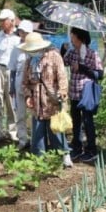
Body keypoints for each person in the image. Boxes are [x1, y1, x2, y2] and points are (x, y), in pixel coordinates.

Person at [20, 32, 72, 167]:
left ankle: (63, 154)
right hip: (36, 101)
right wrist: (27, 96)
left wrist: (62, 92)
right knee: (38, 131)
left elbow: (62, 76)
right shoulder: (29, 61)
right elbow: (24, 83)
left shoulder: (54, 57)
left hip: (52, 99)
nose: (32, 52)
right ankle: (39, 159)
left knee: (55, 129)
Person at [63, 27, 103, 162]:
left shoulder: (92, 54)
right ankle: (77, 147)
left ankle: (92, 149)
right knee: (76, 121)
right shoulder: (72, 52)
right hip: (74, 92)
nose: (71, 37)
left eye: (72, 35)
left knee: (88, 121)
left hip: (86, 93)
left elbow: (99, 74)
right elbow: (63, 62)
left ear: (79, 37)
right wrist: (63, 50)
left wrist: (81, 68)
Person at [0, 9, 20, 142]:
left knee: (11, 101)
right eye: (0, 20)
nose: (1, 23)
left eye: (3, 20)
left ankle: (12, 131)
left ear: (12, 21)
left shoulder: (19, 36)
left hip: (13, 71)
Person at [9, 20, 34, 150]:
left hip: (33, 86)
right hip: (19, 84)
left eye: (25, 32)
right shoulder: (16, 49)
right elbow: (12, 69)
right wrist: (11, 87)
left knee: (35, 113)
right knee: (20, 114)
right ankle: (23, 139)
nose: (23, 34)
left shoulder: (36, 47)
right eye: (21, 31)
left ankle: (36, 140)